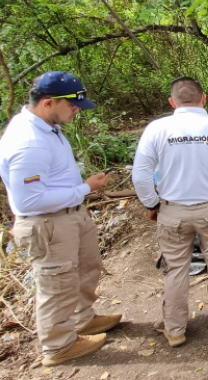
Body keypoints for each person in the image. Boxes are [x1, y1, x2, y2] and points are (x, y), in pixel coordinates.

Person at [0, 72, 120, 367]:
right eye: (72, 105)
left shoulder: (46, 127)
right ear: (48, 102)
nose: (77, 110)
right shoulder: (29, 142)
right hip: (48, 224)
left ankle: (83, 320)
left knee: (84, 270)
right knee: (57, 283)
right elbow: (30, 199)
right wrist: (85, 189)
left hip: (69, 215)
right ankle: (58, 345)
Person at [132, 77, 208, 347]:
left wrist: (152, 203)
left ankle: (175, 330)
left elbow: (140, 176)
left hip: (172, 211)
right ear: (204, 98)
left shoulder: (157, 129)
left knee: (175, 269)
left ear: (172, 102)